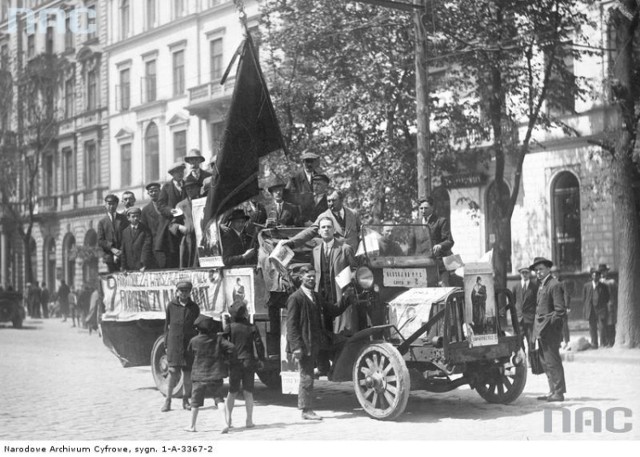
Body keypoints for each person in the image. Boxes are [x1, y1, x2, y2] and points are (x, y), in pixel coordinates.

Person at [286, 264, 327, 421]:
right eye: (308, 276)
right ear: (301, 278)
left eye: (313, 276)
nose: (311, 278)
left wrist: (346, 299)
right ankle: (306, 410)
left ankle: (307, 407)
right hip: (303, 344)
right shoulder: (295, 298)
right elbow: (291, 325)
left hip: (314, 342)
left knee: (309, 374)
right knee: (306, 376)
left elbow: (331, 309)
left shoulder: (315, 296)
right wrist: (295, 346)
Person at [185, 315, 234, 433]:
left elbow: (189, 354)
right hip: (215, 375)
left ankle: (192, 426)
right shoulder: (218, 339)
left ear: (197, 329)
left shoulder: (194, 341)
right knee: (219, 400)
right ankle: (224, 423)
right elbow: (231, 347)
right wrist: (226, 359)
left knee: (195, 403)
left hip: (198, 376)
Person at [311, 217, 358, 336]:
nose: (326, 229)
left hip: (339, 296)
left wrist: (347, 292)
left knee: (341, 334)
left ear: (334, 230)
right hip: (322, 297)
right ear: (319, 232)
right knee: (324, 332)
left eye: (329, 227)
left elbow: (355, 271)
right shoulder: (315, 251)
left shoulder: (345, 249)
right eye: (323, 227)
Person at [223, 303, 265, 434]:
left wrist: (225, 358)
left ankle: (228, 419)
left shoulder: (229, 327)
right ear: (244, 313)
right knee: (248, 392)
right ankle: (249, 420)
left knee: (232, 391)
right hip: (248, 361)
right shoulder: (251, 327)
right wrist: (261, 359)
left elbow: (223, 343)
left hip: (234, 362)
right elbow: (258, 344)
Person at [530, 256, 567, 402]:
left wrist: (547, 324)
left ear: (548, 269)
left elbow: (560, 311)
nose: (538, 273)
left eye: (541, 269)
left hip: (550, 332)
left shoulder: (554, 285)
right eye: (536, 270)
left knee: (553, 361)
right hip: (542, 331)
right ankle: (552, 390)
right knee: (545, 363)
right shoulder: (542, 285)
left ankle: (559, 392)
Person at [162, 281, 201, 412]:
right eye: (181, 291)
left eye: (186, 291)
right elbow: (167, 326)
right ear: (177, 292)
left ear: (190, 292)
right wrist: (166, 343)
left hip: (188, 345)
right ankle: (168, 401)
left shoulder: (194, 307)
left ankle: (186, 400)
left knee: (188, 374)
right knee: (172, 373)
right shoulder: (171, 306)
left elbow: (197, 327)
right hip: (174, 343)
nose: (184, 294)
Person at [285, 190, 362, 252]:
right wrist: (292, 242)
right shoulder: (324, 216)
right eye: (328, 201)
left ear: (341, 200)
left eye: (333, 200)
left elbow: (361, 232)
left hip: (354, 255)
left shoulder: (353, 214)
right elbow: (310, 231)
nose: (330, 204)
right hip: (336, 257)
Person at [156, 162, 188, 268]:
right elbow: (160, 205)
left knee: (186, 251)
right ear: (172, 174)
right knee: (172, 252)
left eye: (181, 171)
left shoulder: (187, 185)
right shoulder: (166, 187)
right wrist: (170, 211)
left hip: (186, 222)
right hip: (170, 224)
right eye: (177, 172)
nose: (180, 174)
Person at [172, 175, 202, 268]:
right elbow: (172, 224)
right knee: (188, 265)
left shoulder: (204, 202)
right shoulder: (180, 205)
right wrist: (179, 227)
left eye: (192, 188)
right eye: (187, 188)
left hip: (202, 239)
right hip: (188, 241)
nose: (190, 190)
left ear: (198, 188)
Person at [97, 194, 129, 272]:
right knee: (112, 280)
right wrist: (112, 249)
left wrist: (120, 251)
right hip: (109, 257)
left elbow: (127, 237)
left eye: (113, 204)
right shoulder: (102, 222)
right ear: (105, 204)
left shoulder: (124, 219)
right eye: (109, 204)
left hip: (124, 256)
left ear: (117, 204)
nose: (111, 206)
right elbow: (100, 240)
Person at [286, 151, 320, 223]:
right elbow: (288, 197)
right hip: (300, 218)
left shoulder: (319, 177)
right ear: (303, 162)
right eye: (307, 162)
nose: (309, 164)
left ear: (315, 163)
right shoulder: (295, 177)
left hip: (316, 218)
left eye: (312, 162)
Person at [582, 266, 609, 349]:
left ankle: (603, 343)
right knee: (592, 327)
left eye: (597, 275)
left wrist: (602, 305)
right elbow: (584, 298)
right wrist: (587, 308)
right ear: (591, 276)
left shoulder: (603, 286)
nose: (595, 277)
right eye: (593, 275)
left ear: (599, 276)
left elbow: (607, 297)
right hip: (591, 310)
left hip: (601, 309)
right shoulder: (587, 286)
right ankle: (594, 344)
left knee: (602, 327)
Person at [511, 266, 538, 349]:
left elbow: (537, 302)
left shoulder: (534, 287)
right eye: (523, 273)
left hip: (530, 319)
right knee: (518, 342)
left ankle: (532, 361)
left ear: (529, 274)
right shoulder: (516, 287)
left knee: (531, 343)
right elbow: (512, 302)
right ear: (520, 274)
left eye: (526, 272)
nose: (525, 274)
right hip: (519, 319)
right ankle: (522, 360)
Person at [120, 207, 153, 271]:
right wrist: (123, 266)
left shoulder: (145, 230)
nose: (135, 218)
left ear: (140, 217)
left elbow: (146, 248)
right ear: (128, 218)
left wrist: (144, 264)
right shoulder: (125, 232)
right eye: (133, 216)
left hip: (142, 266)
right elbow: (123, 250)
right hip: (129, 266)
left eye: (137, 216)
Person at [141, 182, 164, 269]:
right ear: (148, 193)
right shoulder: (145, 210)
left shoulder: (166, 206)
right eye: (151, 191)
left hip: (168, 245)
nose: (153, 193)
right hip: (154, 248)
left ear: (160, 191)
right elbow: (145, 232)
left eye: (155, 191)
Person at [550, 266, 571, 349]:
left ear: (558, 274)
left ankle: (567, 342)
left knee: (564, 325)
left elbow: (566, 295)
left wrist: (567, 306)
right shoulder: (550, 284)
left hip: (562, 307)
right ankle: (558, 342)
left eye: (556, 273)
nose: (555, 275)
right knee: (555, 325)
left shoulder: (562, 283)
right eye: (553, 273)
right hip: (553, 308)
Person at [599, 264, 617, 347]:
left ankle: (611, 341)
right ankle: (604, 341)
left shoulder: (611, 281)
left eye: (604, 271)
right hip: (601, 306)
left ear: (607, 272)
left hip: (609, 305)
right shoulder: (598, 282)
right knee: (603, 324)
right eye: (601, 272)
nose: (603, 273)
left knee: (610, 324)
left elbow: (615, 293)